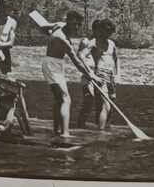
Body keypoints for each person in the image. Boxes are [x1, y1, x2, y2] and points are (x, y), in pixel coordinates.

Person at [39, 10, 90, 138]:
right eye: (74, 24)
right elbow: (76, 61)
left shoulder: (59, 25)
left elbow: (43, 26)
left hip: (57, 64)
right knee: (65, 99)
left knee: (59, 99)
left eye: (78, 24)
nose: (76, 27)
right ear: (68, 21)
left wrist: (49, 32)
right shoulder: (62, 38)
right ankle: (65, 133)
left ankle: (57, 130)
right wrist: (91, 75)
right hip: (51, 65)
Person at [77, 19, 119, 130]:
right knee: (105, 104)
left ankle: (106, 126)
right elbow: (81, 55)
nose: (108, 35)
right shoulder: (94, 42)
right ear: (101, 31)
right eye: (106, 32)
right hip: (100, 74)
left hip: (111, 75)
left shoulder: (111, 44)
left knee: (112, 99)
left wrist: (117, 74)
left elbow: (116, 59)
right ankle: (100, 130)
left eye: (110, 33)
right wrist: (91, 73)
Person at [0, 0, 18, 75]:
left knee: (4, 76)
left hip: (4, 51)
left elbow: (11, 43)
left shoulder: (12, 22)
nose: (11, 11)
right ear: (1, 8)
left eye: (11, 9)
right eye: (9, 8)